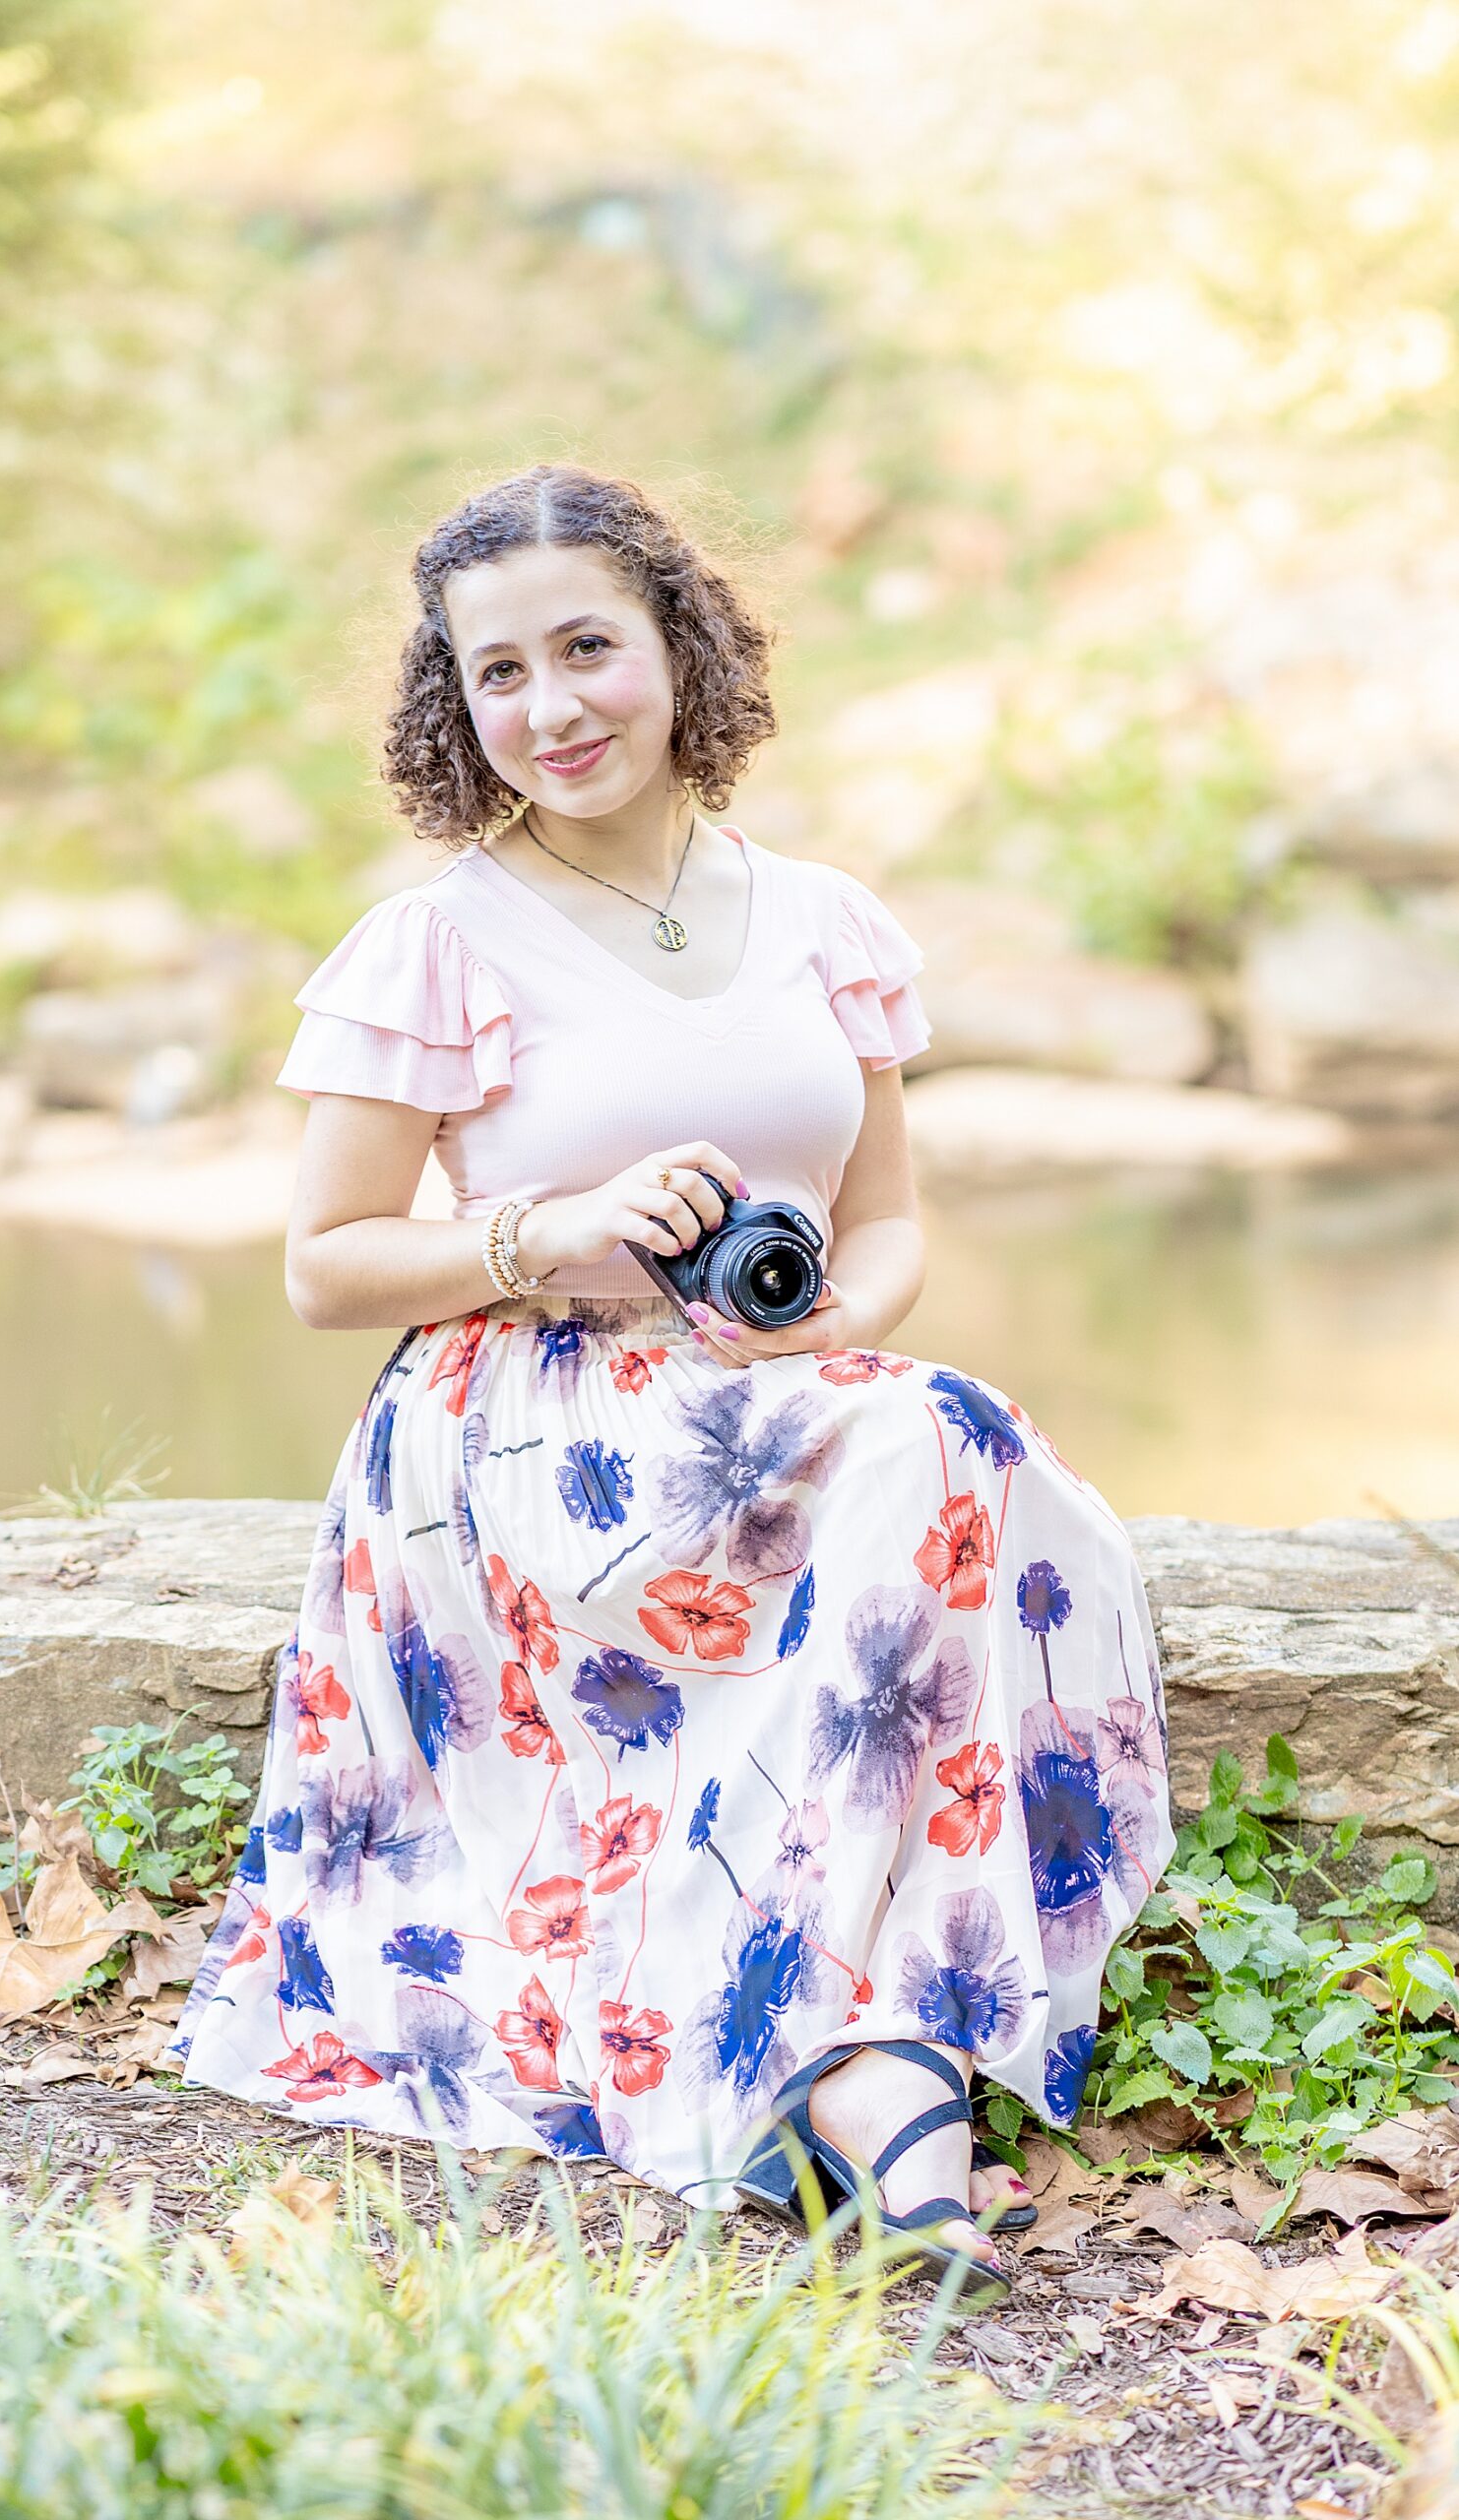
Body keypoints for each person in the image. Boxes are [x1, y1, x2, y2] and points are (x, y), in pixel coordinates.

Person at [173, 462, 1176, 2307]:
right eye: (497, 674)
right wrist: (555, 1231)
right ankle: (893, 2074)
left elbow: (884, 1228)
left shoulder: (823, 921)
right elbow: (325, 1267)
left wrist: (812, 1329)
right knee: (948, 1452)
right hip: (530, 1429)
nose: (550, 708)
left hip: (780, 1400)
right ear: (449, 703)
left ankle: (869, 2051)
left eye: (586, 649)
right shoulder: (439, 939)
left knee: (943, 1443)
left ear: (677, 648)